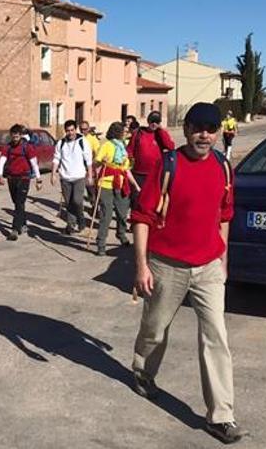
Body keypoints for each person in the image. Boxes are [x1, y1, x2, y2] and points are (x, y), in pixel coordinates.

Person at [129, 102, 248, 444]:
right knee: (155, 330)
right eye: (198, 128)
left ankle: (221, 416)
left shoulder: (223, 167)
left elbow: (225, 215)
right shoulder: (169, 165)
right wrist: (141, 266)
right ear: (187, 129)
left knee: (216, 337)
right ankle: (143, 373)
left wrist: (222, 258)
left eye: (211, 129)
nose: (205, 135)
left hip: (209, 267)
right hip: (167, 264)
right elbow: (142, 218)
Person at [94, 122, 141, 256]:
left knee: (122, 212)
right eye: (124, 131)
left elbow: (125, 170)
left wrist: (136, 185)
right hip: (106, 184)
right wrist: (94, 176)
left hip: (121, 183)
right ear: (117, 132)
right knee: (106, 214)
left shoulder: (123, 148)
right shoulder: (106, 145)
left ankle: (121, 234)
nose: (126, 133)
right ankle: (101, 244)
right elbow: (96, 162)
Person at [0, 123, 42, 241]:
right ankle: (23, 224)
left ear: (21, 136)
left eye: (17, 137)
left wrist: (38, 179)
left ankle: (15, 230)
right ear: (11, 136)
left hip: (24, 178)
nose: (15, 139)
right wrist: (0, 175)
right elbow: (2, 161)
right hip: (11, 178)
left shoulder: (27, 147)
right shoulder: (8, 147)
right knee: (17, 203)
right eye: (13, 137)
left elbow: (34, 163)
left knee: (19, 202)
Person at [50, 120, 93, 234]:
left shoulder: (83, 142)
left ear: (75, 130)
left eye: (72, 130)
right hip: (65, 178)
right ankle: (70, 225)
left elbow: (88, 160)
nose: (70, 133)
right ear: (65, 131)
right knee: (69, 203)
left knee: (77, 201)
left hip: (79, 177)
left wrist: (90, 175)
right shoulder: (61, 143)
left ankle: (81, 219)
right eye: (68, 131)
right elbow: (56, 159)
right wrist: (53, 174)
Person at [127, 110, 175, 195]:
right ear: (148, 121)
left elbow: (170, 146)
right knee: (137, 199)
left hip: (155, 174)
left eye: (157, 122)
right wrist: (130, 160)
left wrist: (161, 130)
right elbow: (129, 149)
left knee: (153, 200)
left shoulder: (160, 134)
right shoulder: (138, 133)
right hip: (139, 173)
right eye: (152, 121)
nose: (154, 124)